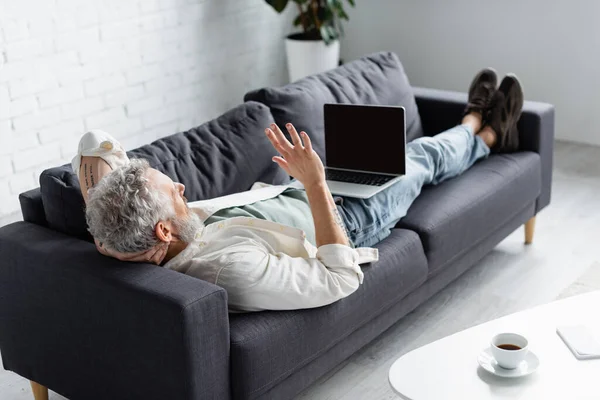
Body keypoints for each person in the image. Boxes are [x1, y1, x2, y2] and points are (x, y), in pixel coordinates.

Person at [76, 69, 523, 312]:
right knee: (420, 160)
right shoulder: (228, 271)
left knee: (399, 155)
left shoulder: (124, 236)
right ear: (163, 233)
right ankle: (481, 128)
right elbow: (341, 278)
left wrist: (100, 207)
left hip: (300, 192)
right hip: (349, 222)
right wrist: (315, 184)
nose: (180, 187)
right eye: (173, 193)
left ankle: (479, 126)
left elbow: (97, 151)